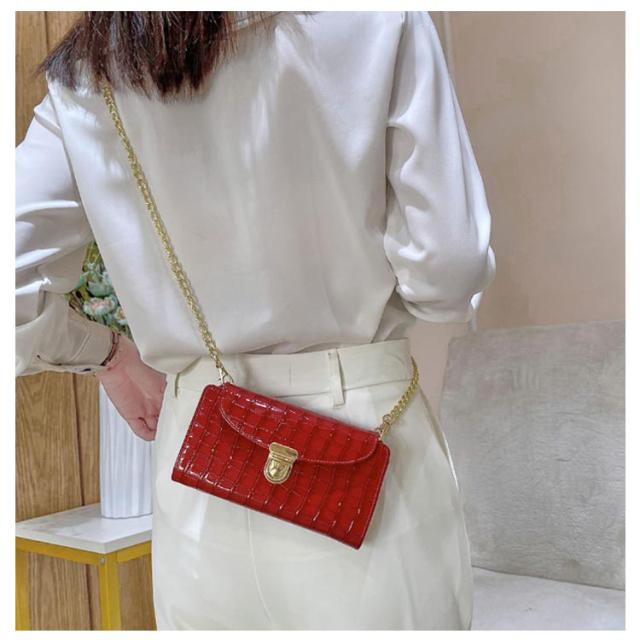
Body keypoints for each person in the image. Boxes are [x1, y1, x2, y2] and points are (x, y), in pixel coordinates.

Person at [15, 11, 495, 630]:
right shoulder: (378, 17)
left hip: (199, 461)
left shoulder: (90, 72)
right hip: (365, 432)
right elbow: (450, 269)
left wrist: (107, 355)